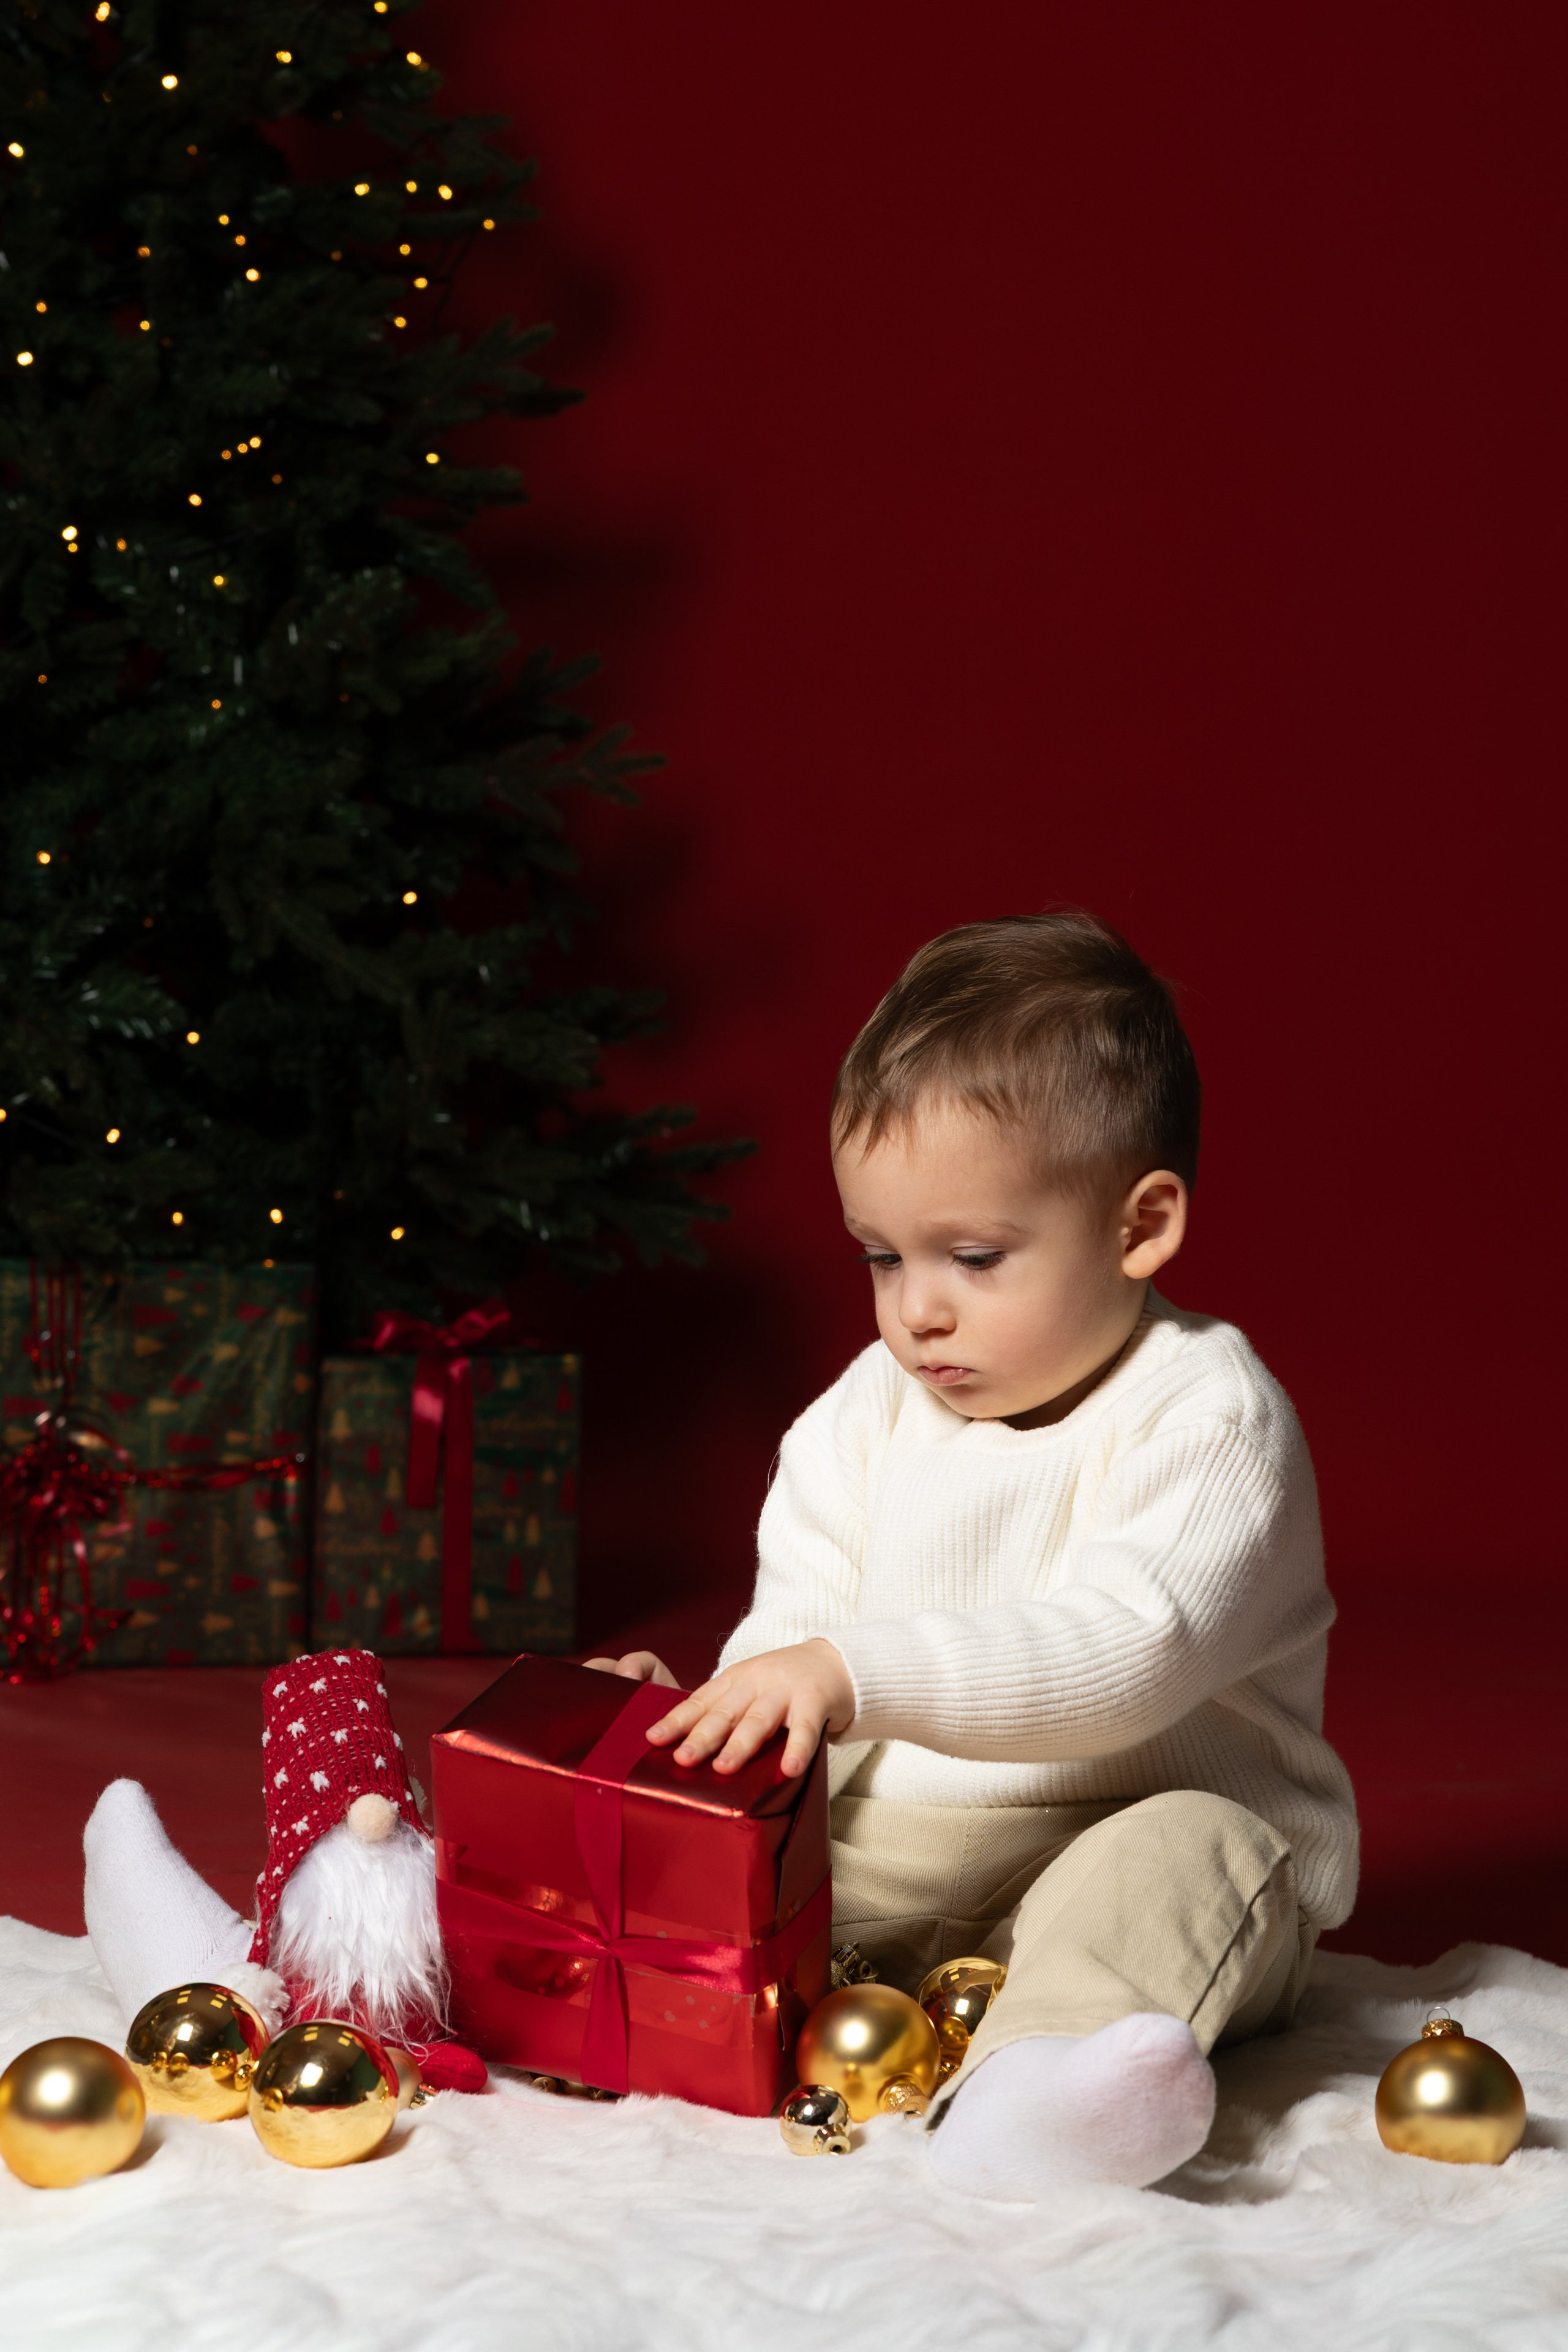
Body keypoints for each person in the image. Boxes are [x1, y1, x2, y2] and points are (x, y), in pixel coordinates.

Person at [586, 911, 1357, 2198]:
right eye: (881, 1256)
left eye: (973, 1257)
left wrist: (848, 1673)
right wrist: (704, 1728)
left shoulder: (1208, 1416)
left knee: (1186, 1854)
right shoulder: (860, 1413)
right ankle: (417, 1970)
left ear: (1138, 1227)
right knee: (726, 1871)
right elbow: (800, 1634)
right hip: (910, 1853)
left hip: (1127, 1833)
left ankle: (1045, 2095)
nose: (915, 1309)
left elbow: (1124, 1650)